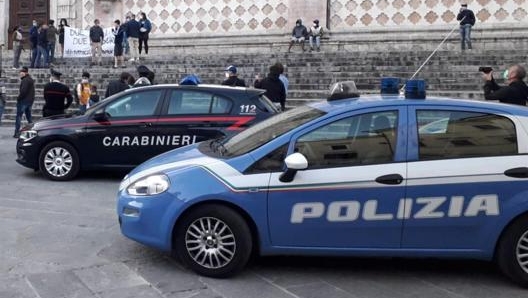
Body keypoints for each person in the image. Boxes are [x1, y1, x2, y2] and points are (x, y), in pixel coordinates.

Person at [14, 67, 35, 138]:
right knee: (29, 117)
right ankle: (33, 130)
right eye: (20, 72)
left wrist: (18, 98)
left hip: (23, 101)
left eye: (21, 72)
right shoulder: (30, 79)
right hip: (29, 101)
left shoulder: (25, 80)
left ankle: (17, 132)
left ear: (25, 73)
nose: (20, 73)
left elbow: (23, 92)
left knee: (18, 116)